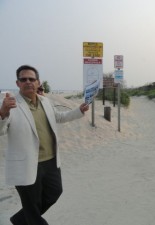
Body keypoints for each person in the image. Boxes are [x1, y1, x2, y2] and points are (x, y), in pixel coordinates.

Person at [0, 65, 89, 224]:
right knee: (32, 207)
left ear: (38, 82)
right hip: (26, 164)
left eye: (31, 79)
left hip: (50, 161)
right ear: (17, 83)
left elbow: (59, 117)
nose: (28, 82)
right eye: (23, 79)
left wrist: (79, 110)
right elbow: (1, 131)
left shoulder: (45, 101)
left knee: (55, 192)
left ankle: (19, 219)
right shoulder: (9, 103)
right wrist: (3, 113)